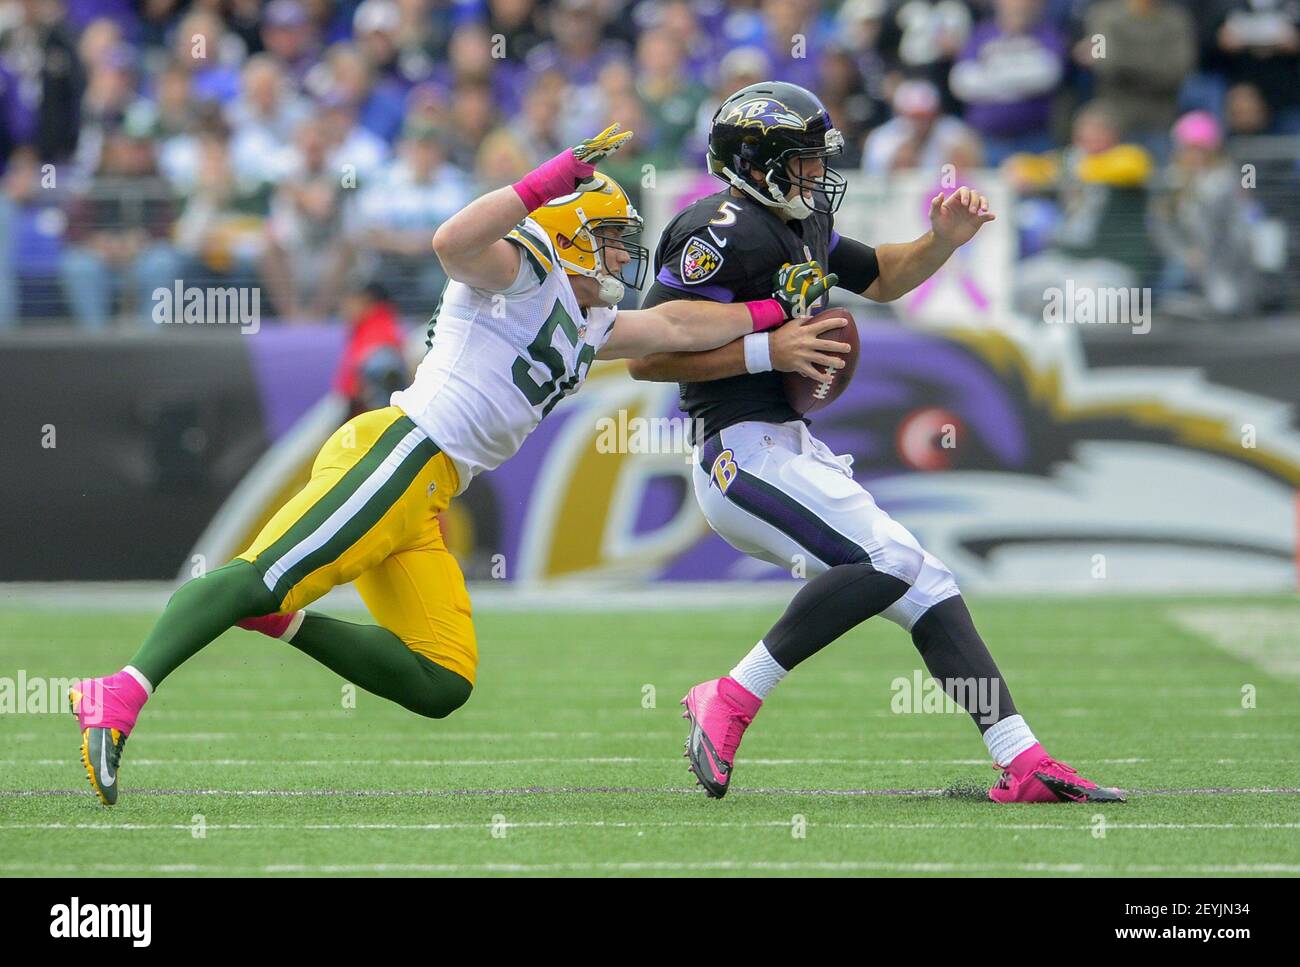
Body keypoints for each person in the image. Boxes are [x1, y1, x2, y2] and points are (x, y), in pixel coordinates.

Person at [68, 124, 843, 806]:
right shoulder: (523, 269)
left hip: (433, 486)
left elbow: (676, 321)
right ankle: (118, 691)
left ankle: (283, 619)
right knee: (259, 568)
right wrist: (545, 181)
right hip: (405, 451)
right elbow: (450, 241)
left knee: (442, 678)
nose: (622, 253)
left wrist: (778, 310)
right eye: (610, 235)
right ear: (569, 228)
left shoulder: (588, 316)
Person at [628, 82, 1124, 804]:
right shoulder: (718, 228)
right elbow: (648, 354)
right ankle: (730, 695)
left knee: (927, 581)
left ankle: (1022, 760)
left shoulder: (798, 221)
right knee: (888, 558)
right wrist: (770, 351)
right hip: (735, 453)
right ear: (753, 162)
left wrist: (942, 241)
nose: (815, 174)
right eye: (800, 160)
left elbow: (884, 277)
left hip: (788, 447)